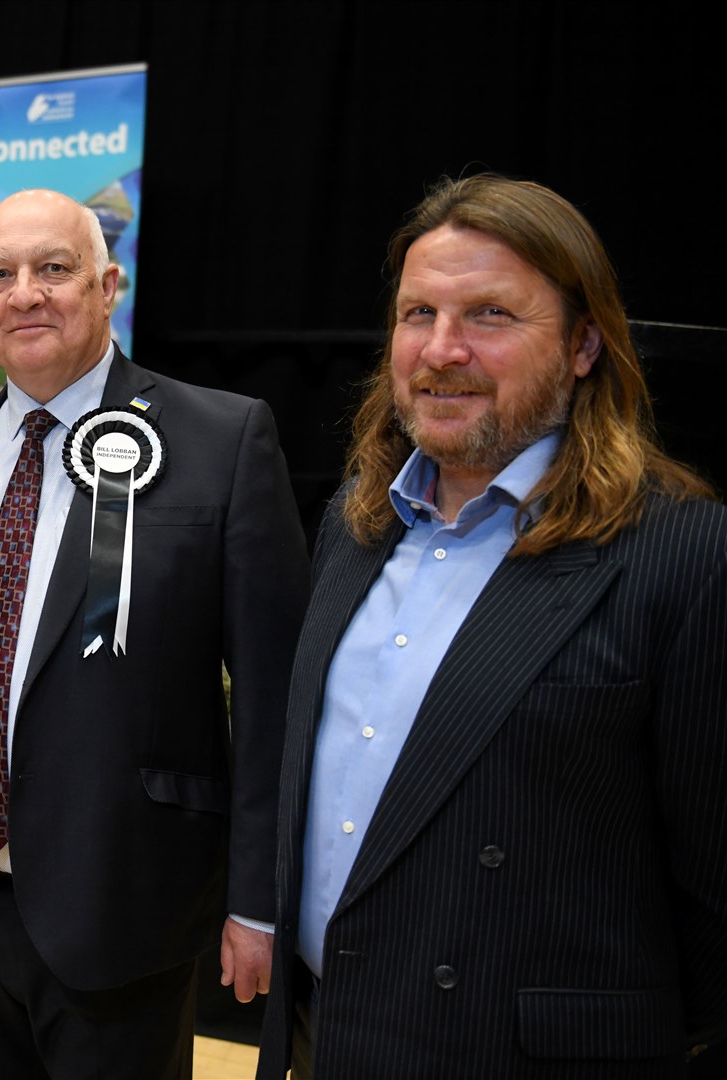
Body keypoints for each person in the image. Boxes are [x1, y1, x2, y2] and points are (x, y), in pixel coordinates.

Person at [256, 175, 727, 1079]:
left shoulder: (682, 553)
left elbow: (712, 887)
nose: (440, 350)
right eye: (416, 312)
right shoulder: (353, 525)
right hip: (324, 1034)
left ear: (584, 344)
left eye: (489, 316)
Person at [0, 189, 310, 1078]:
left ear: (108, 284)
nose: (24, 293)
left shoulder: (220, 441)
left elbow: (277, 695)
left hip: (121, 901)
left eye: (53, 269)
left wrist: (259, 902)